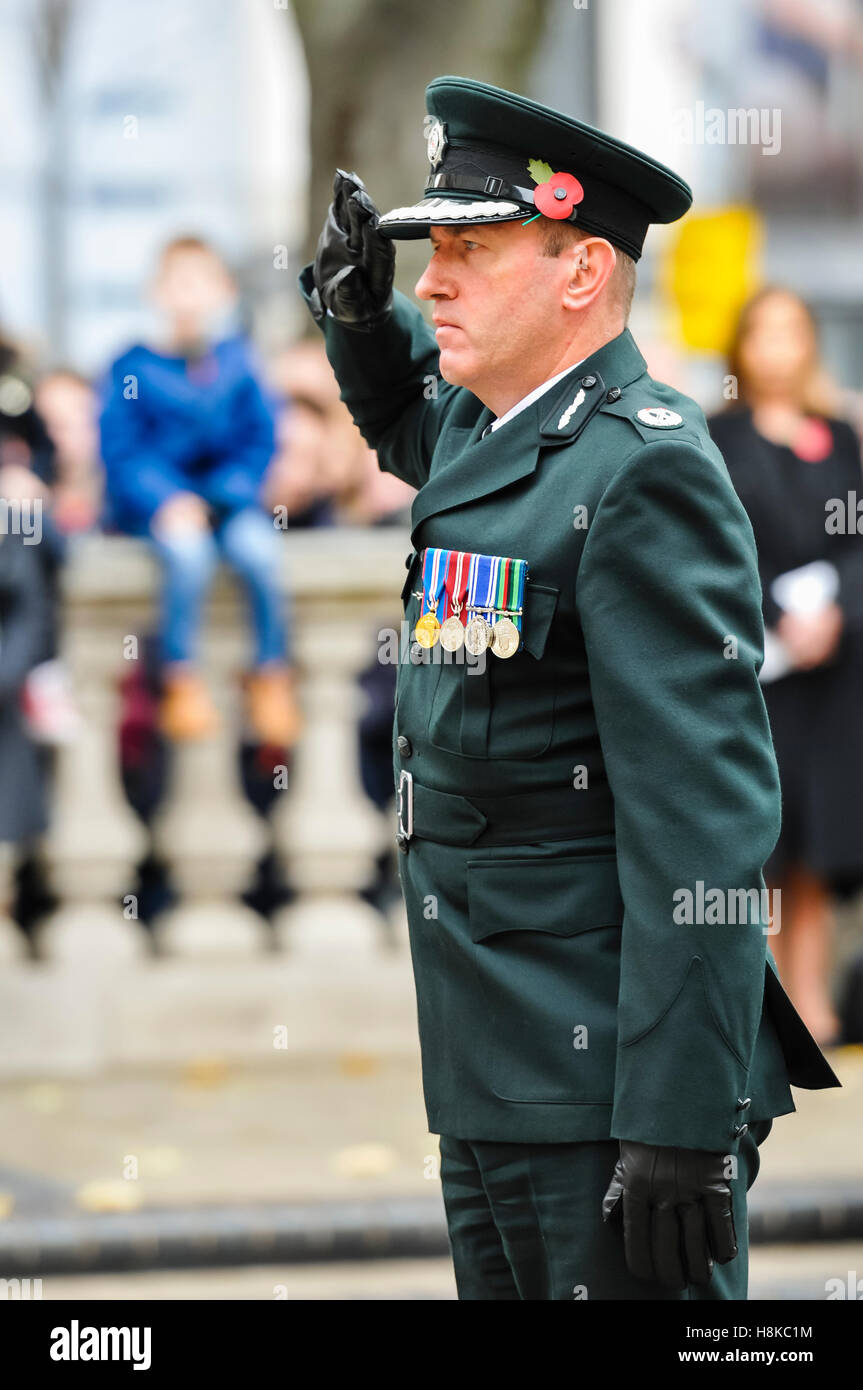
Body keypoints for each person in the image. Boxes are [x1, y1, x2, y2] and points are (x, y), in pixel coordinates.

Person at [298, 76, 843, 1302]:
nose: (431, 280)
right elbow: (412, 435)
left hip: (605, 1094)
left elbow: (699, 824)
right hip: (496, 1053)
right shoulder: (504, 426)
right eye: (429, 254)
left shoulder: (640, 470)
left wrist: (678, 1118)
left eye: (467, 252)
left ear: (581, 273)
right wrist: (353, 315)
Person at [708, 287, 863, 1045]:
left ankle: (810, 996)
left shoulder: (837, 436)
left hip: (834, 667)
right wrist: (775, 618)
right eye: (762, 333)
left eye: (791, 332)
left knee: (820, 837)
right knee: (762, 840)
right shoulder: (718, 436)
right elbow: (717, 542)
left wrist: (838, 609)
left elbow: (857, 538)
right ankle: (761, 1006)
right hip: (757, 666)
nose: (777, 348)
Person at [99, 236, 301, 746]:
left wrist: (219, 497)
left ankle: (271, 673)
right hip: (161, 511)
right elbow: (122, 451)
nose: (188, 295)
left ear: (223, 291)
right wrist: (166, 501)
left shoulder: (241, 363)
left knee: (260, 553)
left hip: (228, 504)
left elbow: (260, 441)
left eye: (199, 282)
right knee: (188, 559)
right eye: (177, 282)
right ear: (156, 292)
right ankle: (181, 677)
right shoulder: (132, 367)